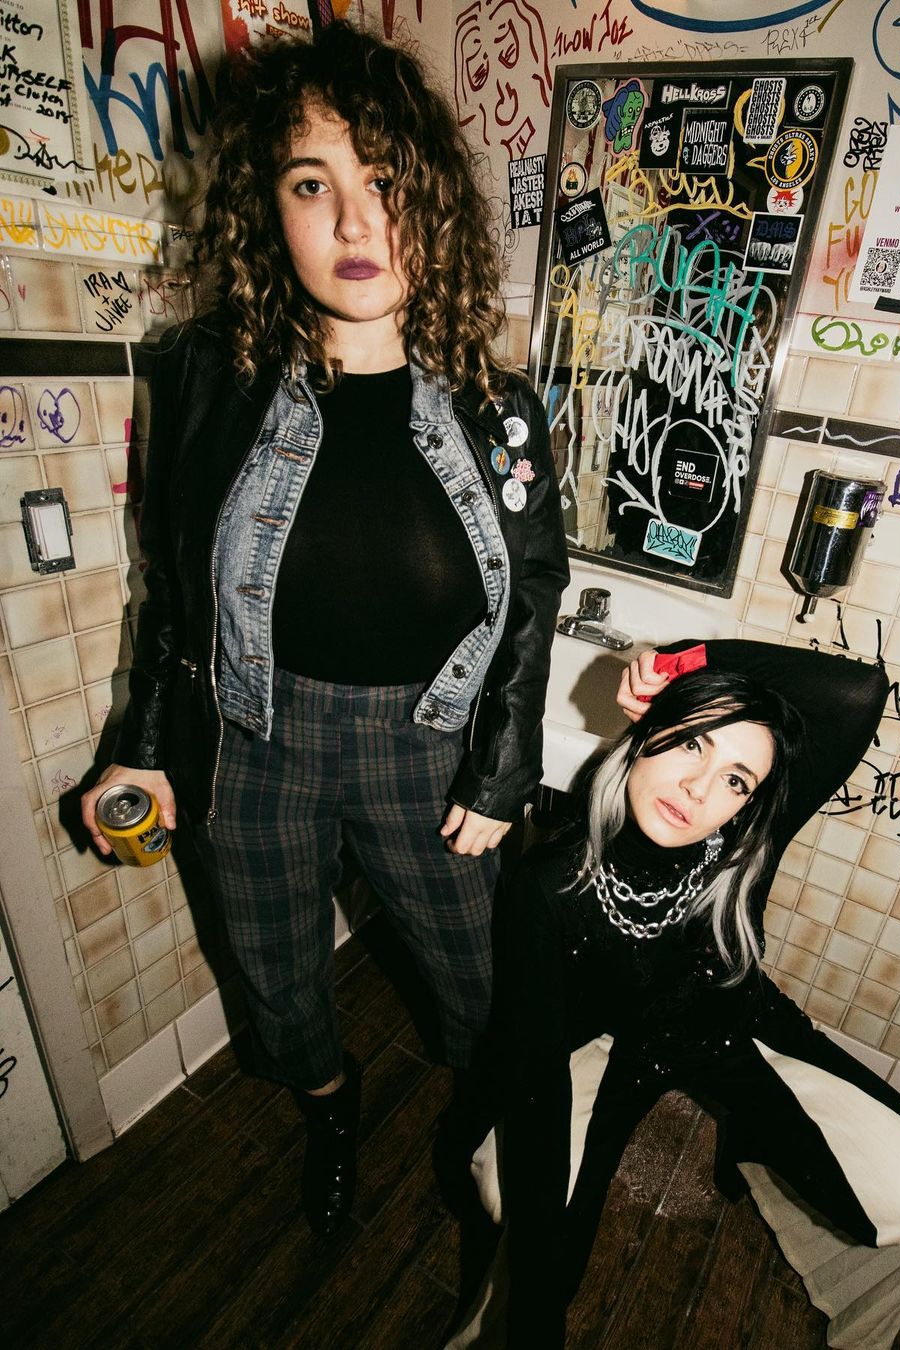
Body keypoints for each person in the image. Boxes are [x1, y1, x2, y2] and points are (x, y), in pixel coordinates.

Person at [80, 21, 569, 1237]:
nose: (355, 222)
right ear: (270, 206)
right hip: (252, 743)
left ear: (432, 201)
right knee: (279, 988)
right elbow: (172, 587)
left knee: (481, 987)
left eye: (384, 182)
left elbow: (533, 589)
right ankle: (333, 1111)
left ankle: (483, 1136)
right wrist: (145, 745)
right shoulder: (205, 373)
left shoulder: (502, 410)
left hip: (429, 750)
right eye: (313, 185)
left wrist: (505, 767)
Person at [450, 640, 900, 1349]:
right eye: (692, 742)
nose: (699, 788)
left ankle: (751, 1144)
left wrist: (680, 659)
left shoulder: (745, 837)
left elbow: (855, 693)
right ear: (646, 731)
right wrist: (536, 1322)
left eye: (735, 779)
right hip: (605, 1049)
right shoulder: (548, 886)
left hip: (731, 1024)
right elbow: (537, 1091)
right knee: (541, 1248)